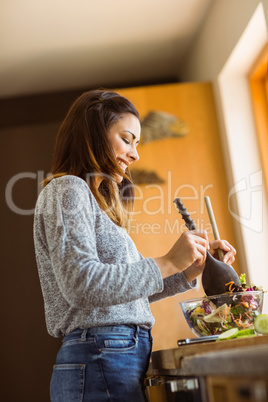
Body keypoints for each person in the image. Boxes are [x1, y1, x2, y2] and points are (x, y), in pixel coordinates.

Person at [33, 89, 236, 402]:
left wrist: (187, 268)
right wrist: (168, 260)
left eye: (137, 143)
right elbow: (81, 284)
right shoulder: (67, 189)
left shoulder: (96, 203)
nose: (135, 153)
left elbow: (122, 295)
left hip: (114, 354)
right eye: (127, 139)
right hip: (102, 354)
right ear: (94, 135)